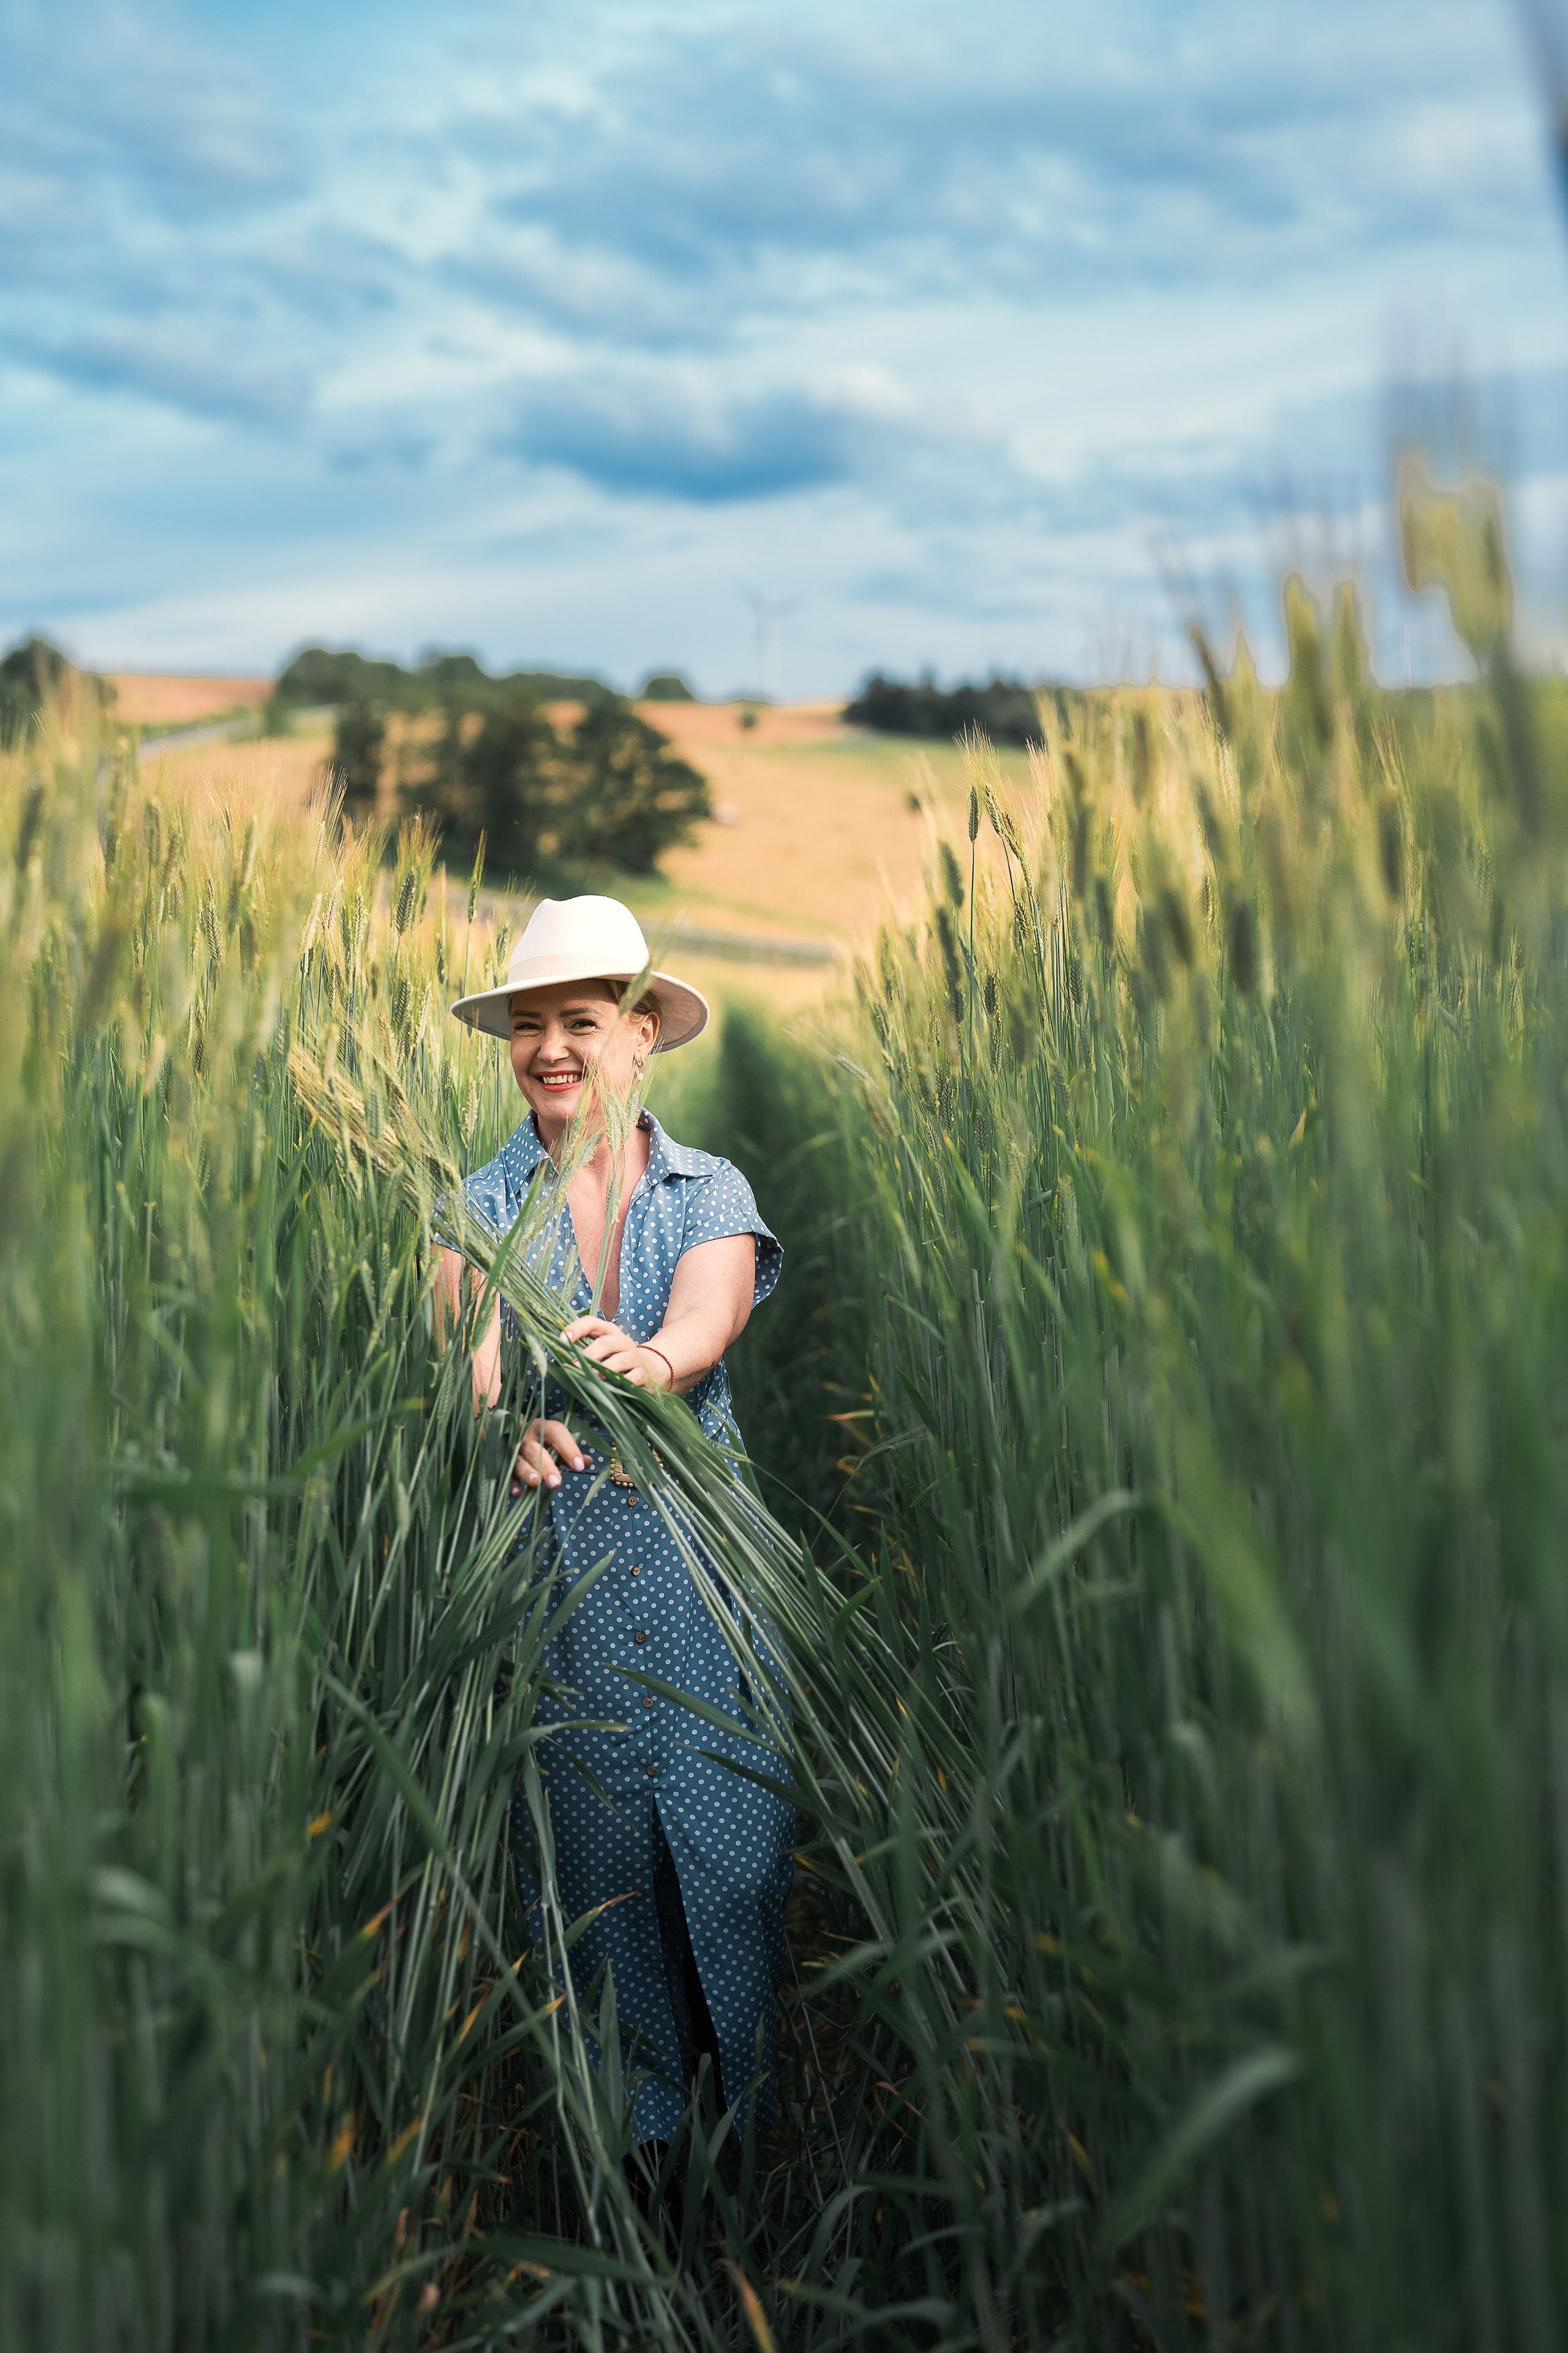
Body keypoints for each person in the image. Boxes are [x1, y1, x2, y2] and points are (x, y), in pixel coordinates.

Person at [442, 894, 793, 2155]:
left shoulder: (709, 1188)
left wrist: (649, 1364)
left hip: (702, 1571)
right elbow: (470, 1357)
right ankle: (638, 2149)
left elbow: (706, 1320)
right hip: (558, 1578)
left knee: (733, 1841)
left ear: (639, 1034)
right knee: (594, 1868)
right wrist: (504, 1429)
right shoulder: (476, 1207)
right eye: (527, 1024)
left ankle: (742, 2125)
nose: (549, 1046)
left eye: (578, 1020)